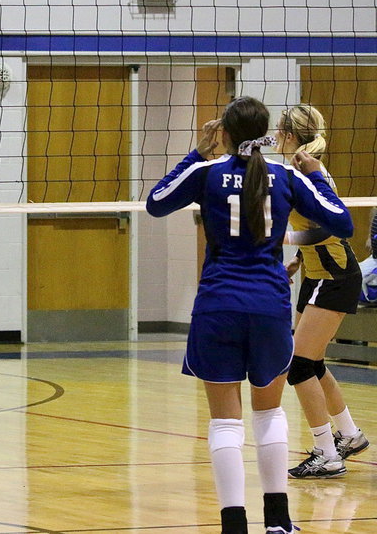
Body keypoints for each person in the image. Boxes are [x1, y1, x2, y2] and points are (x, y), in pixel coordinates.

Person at [146, 96, 354, 534]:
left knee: (225, 421)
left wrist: (198, 153)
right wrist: (318, 178)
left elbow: (156, 202)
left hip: (218, 306)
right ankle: (278, 521)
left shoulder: (208, 172)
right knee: (269, 415)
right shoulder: (286, 176)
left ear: (224, 131)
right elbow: (342, 222)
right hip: (268, 306)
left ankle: (233, 524)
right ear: (264, 132)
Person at [275, 104, 369, 479]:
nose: (276, 136)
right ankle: (348, 434)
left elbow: (330, 229)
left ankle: (326, 452)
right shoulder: (299, 168)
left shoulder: (309, 173)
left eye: (279, 131)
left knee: (296, 365)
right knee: (309, 363)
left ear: (289, 135)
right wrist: (297, 259)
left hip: (335, 276)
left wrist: (283, 238)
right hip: (318, 274)